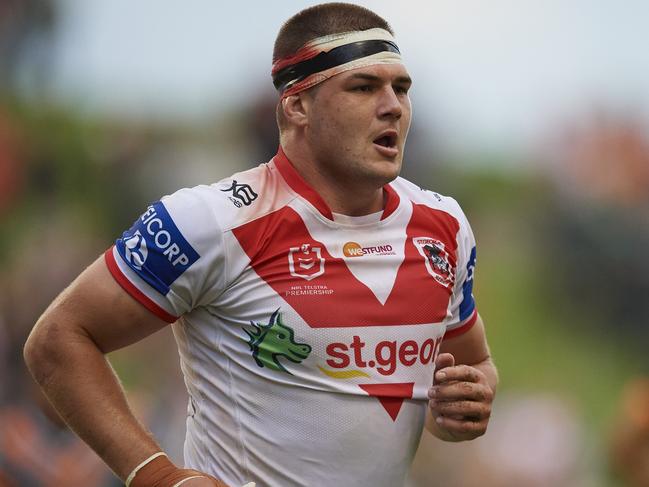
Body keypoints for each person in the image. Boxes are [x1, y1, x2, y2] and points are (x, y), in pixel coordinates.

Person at [23, 3, 498, 486]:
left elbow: (472, 366)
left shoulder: (444, 225)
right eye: (363, 87)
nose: (393, 106)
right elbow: (58, 339)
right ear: (297, 106)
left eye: (401, 88)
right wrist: (156, 474)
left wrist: (464, 406)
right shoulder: (209, 221)